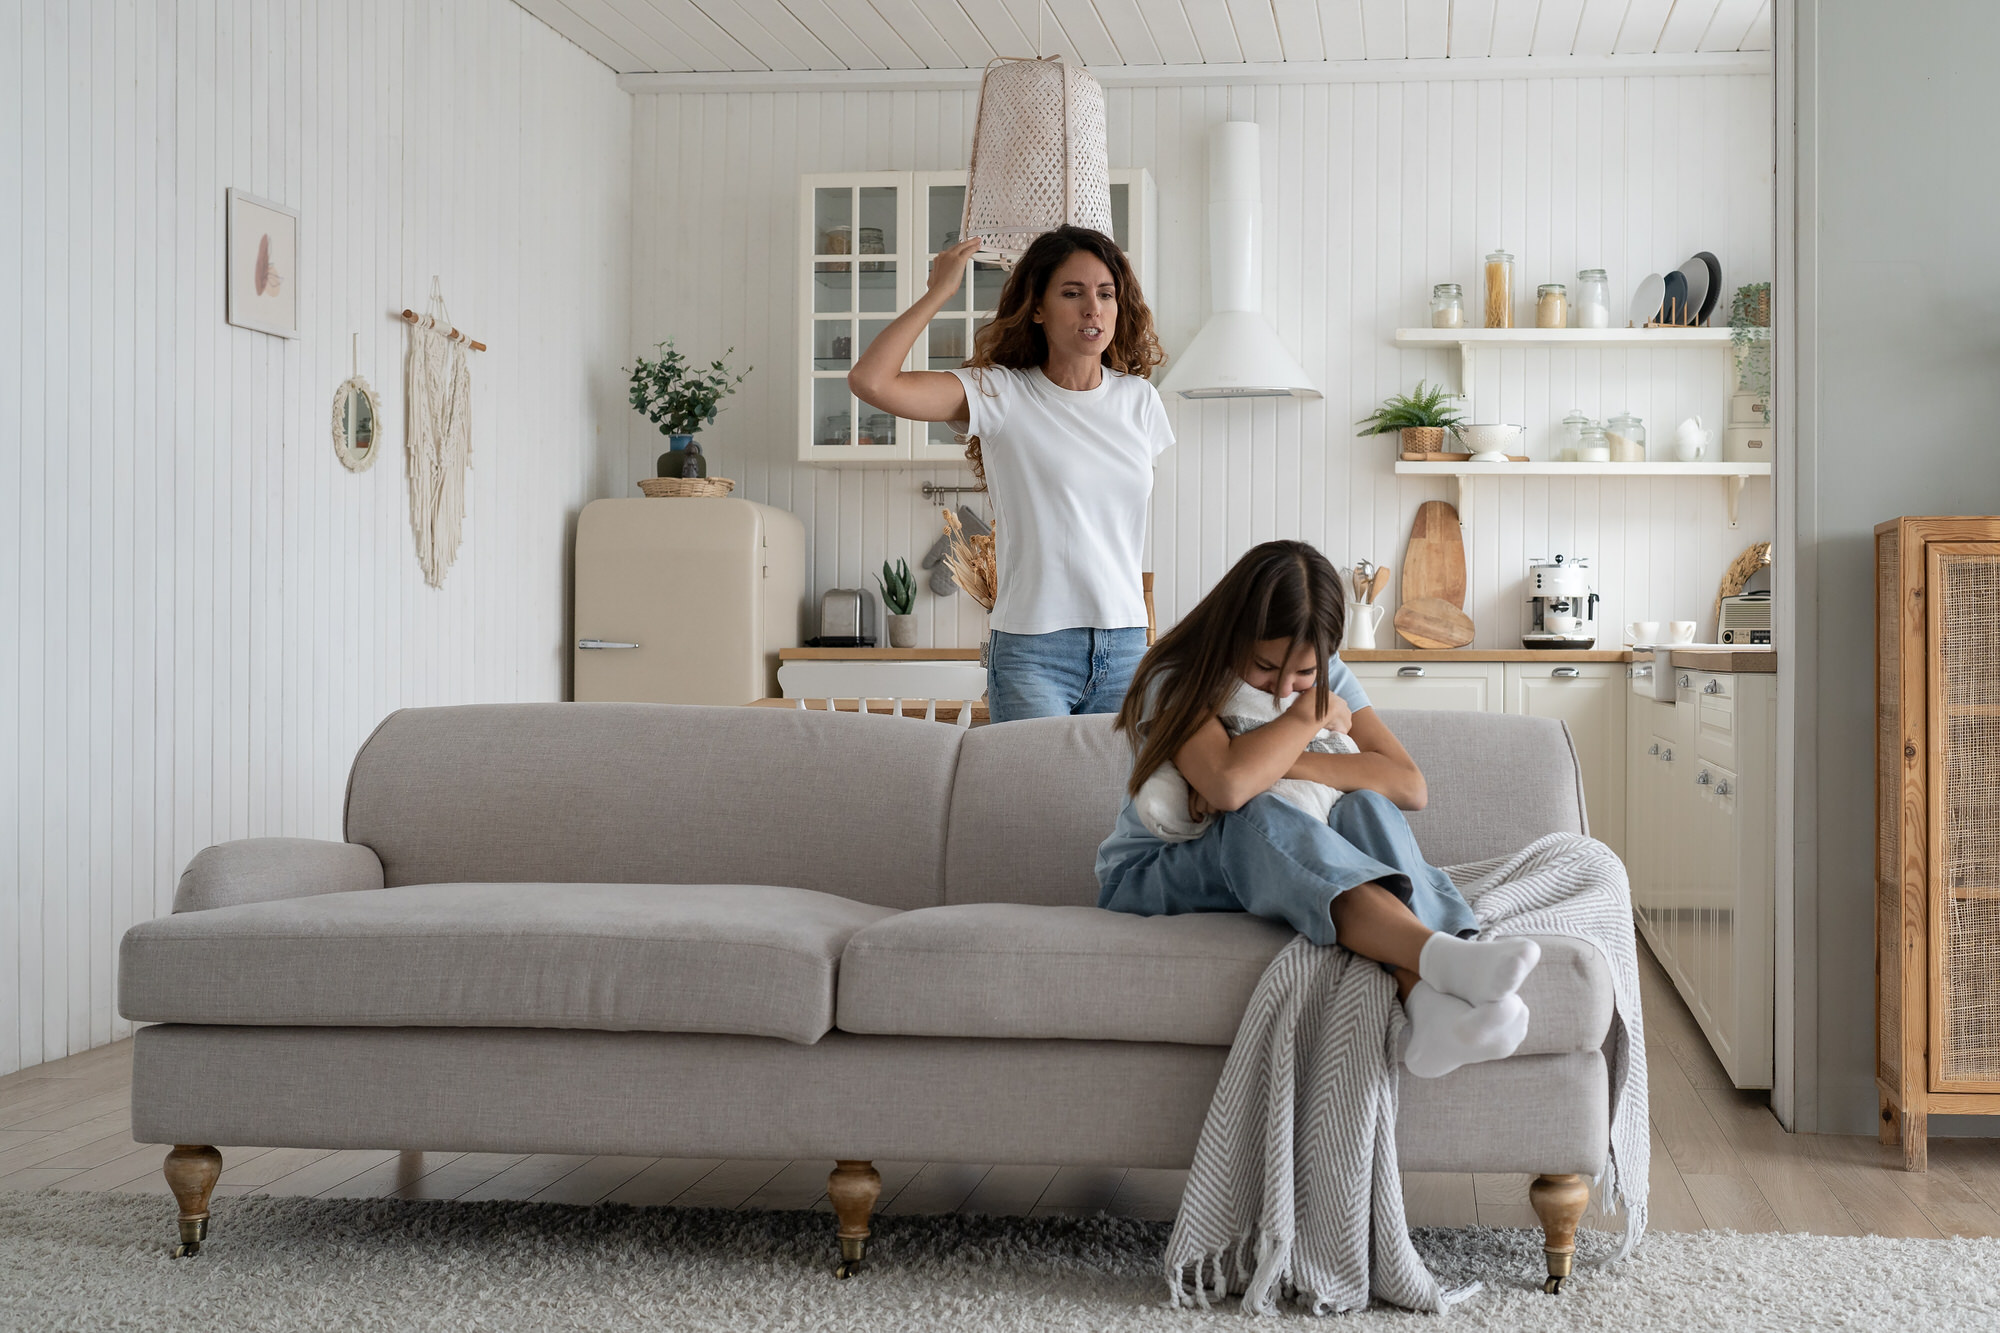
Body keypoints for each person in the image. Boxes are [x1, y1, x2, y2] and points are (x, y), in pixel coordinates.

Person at [1095, 540, 1542, 1078]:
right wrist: (1307, 716)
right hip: (1154, 873)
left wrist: (1278, 759)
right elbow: (1231, 789)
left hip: (1280, 853)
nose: (1284, 686)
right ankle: (1444, 958)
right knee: (1256, 814)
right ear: (1233, 630)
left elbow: (1407, 785)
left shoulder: (1326, 668)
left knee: (1365, 808)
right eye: (1264, 667)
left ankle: (1428, 1003)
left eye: (1304, 675)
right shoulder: (1178, 675)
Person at [848, 225, 1172, 723]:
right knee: (1033, 799)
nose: (1093, 308)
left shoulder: (1140, 400)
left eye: (1106, 293)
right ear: (1037, 309)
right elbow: (871, 382)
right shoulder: (999, 393)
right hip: (1033, 650)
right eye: (1072, 292)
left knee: (1111, 801)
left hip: (1127, 644)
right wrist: (939, 292)